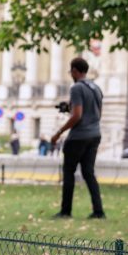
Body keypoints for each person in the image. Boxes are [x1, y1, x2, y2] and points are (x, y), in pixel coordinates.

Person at [51, 57, 105, 219]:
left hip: (78, 137)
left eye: (71, 71)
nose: (71, 74)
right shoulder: (96, 88)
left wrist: (59, 132)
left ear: (75, 70)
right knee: (89, 172)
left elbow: (77, 115)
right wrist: (69, 108)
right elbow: (96, 113)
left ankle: (66, 211)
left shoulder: (76, 88)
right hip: (95, 134)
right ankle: (98, 211)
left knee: (68, 172)